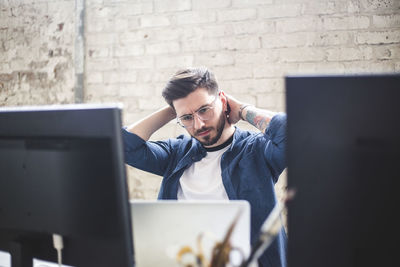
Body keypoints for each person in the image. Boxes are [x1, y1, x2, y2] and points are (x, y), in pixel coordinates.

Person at [122, 67, 287, 267]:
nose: (199, 124)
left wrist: (242, 110)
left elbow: (291, 132)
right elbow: (125, 146)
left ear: (223, 102)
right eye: (187, 118)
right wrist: (173, 111)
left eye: (204, 110)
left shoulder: (257, 150)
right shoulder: (176, 153)